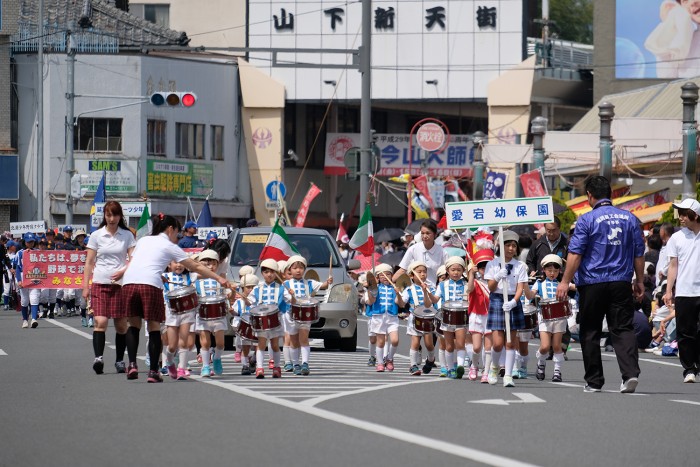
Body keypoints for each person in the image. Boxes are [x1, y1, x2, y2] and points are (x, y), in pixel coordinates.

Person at [556, 175, 644, 394]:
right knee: (623, 328)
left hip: (592, 283)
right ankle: (630, 374)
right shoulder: (630, 219)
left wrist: (565, 281)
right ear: (611, 194)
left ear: (589, 195)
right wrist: (640, 280)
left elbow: (575, 253)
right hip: (621, 282)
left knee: (590, 331)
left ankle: (594, 381)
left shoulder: (587, 220)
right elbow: (638, 253)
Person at [121, 214, 232, 383]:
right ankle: (153, 372)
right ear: (171, 229)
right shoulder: (169, 245)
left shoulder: (144, 240)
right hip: (150, 284)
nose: (177, 237)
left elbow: (135, 262)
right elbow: (194, 266)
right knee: (154, 327)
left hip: (129, 282)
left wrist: (121, 274)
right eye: (177, 233)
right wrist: (219, 278)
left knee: (133, 325)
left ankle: (132, 365)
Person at [83, 201, 137, 375]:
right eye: (108, 215)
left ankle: (120, 360)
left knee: (121, 325)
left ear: (120, 216)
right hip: (100, 282)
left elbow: (133, 259)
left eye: (115, 215)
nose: (111, 218)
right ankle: (98, 358)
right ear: (104, 216)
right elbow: (89, 262)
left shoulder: (127, 235)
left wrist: (123, 271)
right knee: (100, 321)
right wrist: (86, 286)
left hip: (121, 285)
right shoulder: (96, 235)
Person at [484, 230, 529, 387]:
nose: (511, 249)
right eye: (508, 245)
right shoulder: (492, 264)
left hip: (512, 302)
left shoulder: (520, 266)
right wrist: (497, 276)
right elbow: (490, 287)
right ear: (501, 246)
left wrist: (514, 301)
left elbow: (520, 287)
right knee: (497, 343)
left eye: (513, 246)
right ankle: (494, 368)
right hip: (497, 300)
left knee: (510, 342)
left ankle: (508, 375)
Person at [663, 198, 700, 383]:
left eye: (685, 214)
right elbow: (672, 266)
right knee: (685, 333)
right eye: (680, 214)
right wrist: (669, 290)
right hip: (685, 292)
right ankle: (689, 369)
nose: (681, 218)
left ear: (696, 215)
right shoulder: (677, 237)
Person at [525, 254, 573, 382]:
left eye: (556, 271)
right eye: (549, 270)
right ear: (544, 270)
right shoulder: (539, 283)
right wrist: (524, 284)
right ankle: (541, 363)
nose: (552, 273)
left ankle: (557, 372)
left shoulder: (562, 284)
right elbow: (530, 295)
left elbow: (577, 286)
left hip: (560, 317)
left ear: (560, 271)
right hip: (544, 317)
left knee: (557, 346)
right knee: (545, 346)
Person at [283, 255, 333, 376]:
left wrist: (328, 281)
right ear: (290, 269)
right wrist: (291, 295)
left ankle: (305, 363)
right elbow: (287, 300)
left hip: (305, 315)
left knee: (304, 339)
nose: (298, 270)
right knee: (294, 341)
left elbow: (323, 285)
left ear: (304, 269)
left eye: (301, 268)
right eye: (295, 268)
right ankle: (295, 364)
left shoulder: (309, 282)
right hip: (291, 315)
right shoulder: (286, 284)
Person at [428, 257, 469, 379]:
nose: (456, 272)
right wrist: (427, 292)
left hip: (461, 317)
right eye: (453, 270)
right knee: (449, 345)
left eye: (459, 270)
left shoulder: (466, 285)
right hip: (446, 317)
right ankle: (450, 368)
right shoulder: (442, 285)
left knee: (461, 343)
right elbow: (435, 299)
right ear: (447, 270)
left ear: (463, 271)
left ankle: (460, 367)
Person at [193, 250, 228, 378]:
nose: (210, 267)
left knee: (220, 343)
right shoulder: (195, 281)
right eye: (207, 264)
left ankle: (217, 358)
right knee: (205, 342)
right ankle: (206, 366)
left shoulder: (221, 280)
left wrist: (231, 293)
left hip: (219, 315)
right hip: (202, 314)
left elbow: (228, 294)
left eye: (213, 264)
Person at [248, 259, 285, 378]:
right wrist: (245, 299)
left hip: (276, 319)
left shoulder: (281, 288)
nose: (269, 274)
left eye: (272, 272)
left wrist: (291, 295)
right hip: (261, 320)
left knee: (274, 345)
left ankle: (277, 367)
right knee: (261, 344)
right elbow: (251, 303)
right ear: (262, 273)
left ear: (276, 273)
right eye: (266, 272)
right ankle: (260, 368)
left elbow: (290, 301)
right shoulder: (257, 288)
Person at [398, 261, 436, 376]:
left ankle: (431, 359)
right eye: (419, 272)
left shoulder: (431, 288)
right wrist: (397, 294)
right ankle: (413, 365)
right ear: (412, 276)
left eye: (424, 272)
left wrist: (425, 292)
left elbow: (429, 304)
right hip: (414, 318)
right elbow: (400, 304)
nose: (423, 274)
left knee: (429, 344)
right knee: (415, 342)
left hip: (428, 317)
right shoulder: (409, 289)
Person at [162, 259, 197, 380]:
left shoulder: (190, 276)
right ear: (169, 264)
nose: (178, 265)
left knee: (183, 341)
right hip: (171, 311)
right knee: (171, 345)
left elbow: (202, 271)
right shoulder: (165, 276)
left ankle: (182, 368)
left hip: (187, 311)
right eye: (175, 262)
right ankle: (170, 362)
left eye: (181, 262)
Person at [365, 263, 400, 372]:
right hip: (379, 317)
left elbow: (400, 303)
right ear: (378, 278)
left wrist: (398, 294)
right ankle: (380, 363)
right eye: (382, 275)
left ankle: (389, 359)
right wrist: (369, 290)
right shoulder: (376, 289)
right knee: (380, 342)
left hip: (392, 317)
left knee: (395, 340)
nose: (385, 277)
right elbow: (371, 302)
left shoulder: (394, 288)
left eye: (388, 274)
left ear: (392, 276)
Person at [466, 249, 494, 382]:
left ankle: (486, 372)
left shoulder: (495, 283)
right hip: (477, 315)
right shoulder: (476, 282)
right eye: (482, 267)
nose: (484, 270)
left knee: (488, 347)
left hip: (491, 316)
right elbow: (469, 289)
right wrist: (471, 274)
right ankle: (474, 366)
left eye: (487, 267)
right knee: (477, 347)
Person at [394, 220, 448, 287]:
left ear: (435, 234)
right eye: (422, 233)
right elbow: (402, 270)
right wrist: (390, 282)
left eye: (428, 233)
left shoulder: (442, 252)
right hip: (415, 290)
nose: (424, 236)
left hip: (434, 291)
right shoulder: (413, 249)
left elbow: (447, 273)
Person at [232, 274, 258, 375]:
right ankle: (245, 366)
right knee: (245, 346)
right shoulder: (238, 301)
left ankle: (253, 360)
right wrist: (231, 311)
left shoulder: (258, 301)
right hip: (245, 324)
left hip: (256, 324)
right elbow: (236, 313)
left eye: (253, 287)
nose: (251, 289)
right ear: (242, 288)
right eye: (248, 287)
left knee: (259, 345)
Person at [13, 233, 41, 328]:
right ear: (25, 242)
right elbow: (17, 268)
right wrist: (19, 280)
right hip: (23, 276)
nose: (31, 243)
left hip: (34, 276)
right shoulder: (20, 253)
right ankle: (25, 320)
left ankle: (33, 319)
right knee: (24, 300)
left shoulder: (38, 252)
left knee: (34, 298)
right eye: (29, 242)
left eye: (32, 241)